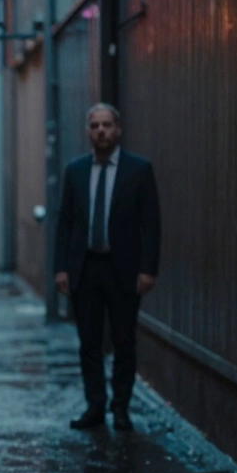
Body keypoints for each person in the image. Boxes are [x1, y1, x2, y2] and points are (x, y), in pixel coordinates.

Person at [55, 103, 161, 432]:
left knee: (123, 341)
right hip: (85, 268)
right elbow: (65, 222)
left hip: (123, 269)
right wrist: (61, 268)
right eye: (94, 126)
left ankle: (121, 409)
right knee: (88, 343)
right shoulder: (75, 170)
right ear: (88, 132)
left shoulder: (138, 170)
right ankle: (95, 406)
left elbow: (151, 223)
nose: (100, 131)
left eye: (106, 125)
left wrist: (148, 269)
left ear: (118, 129)